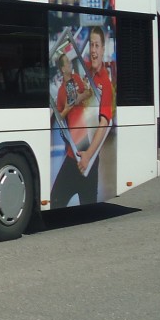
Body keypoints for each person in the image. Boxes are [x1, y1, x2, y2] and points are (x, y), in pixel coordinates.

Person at [50, 26, 113, 208]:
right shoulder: (82, 77)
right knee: (57, 201)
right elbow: (72, 102)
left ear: (103, 49)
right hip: (73, 156)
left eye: (97, 46)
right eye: (91, 45)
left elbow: (104, 123)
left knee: (87, 208)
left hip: (86, 159)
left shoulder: (105, 84)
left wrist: (87, 156)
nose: (93, 50)